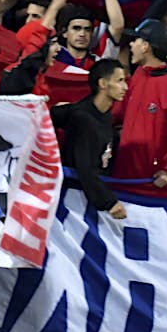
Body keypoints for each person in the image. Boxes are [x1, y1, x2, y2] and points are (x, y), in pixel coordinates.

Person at [112, 19, 167, 185]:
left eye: (135, 40)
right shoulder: (138, 75)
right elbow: (117, 114)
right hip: (123, 176)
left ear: (145, 46)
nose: (131, 45)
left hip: (156, 182)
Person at [51, 59, 128, 218]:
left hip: (85, 199)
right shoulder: (83, 119)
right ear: (103, 83)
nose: (125, 87)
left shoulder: (105, 119)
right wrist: (108, 202)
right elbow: (84, 167)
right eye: (120, 81)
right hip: (69, 203)